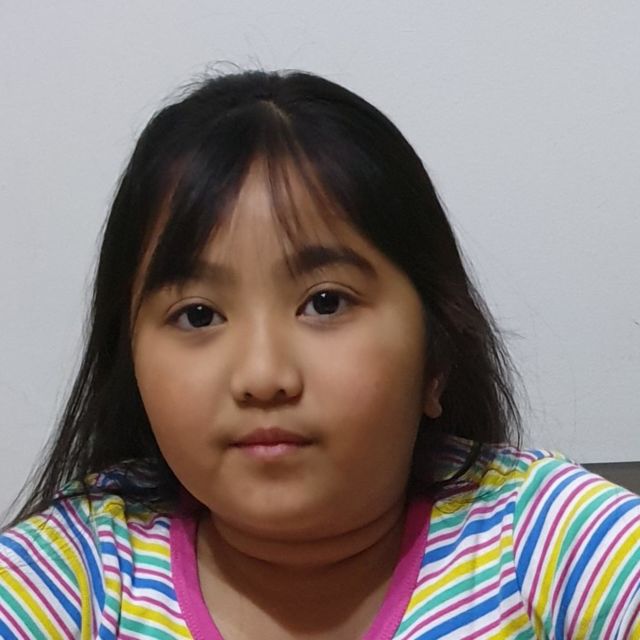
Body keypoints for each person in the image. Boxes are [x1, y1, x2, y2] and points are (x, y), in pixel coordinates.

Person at [0, 69, 638, 640]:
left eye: (325, 303)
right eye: (198, 314)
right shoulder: (82, 570)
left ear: (437, 355)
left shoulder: (539, 539)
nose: (263, 376)